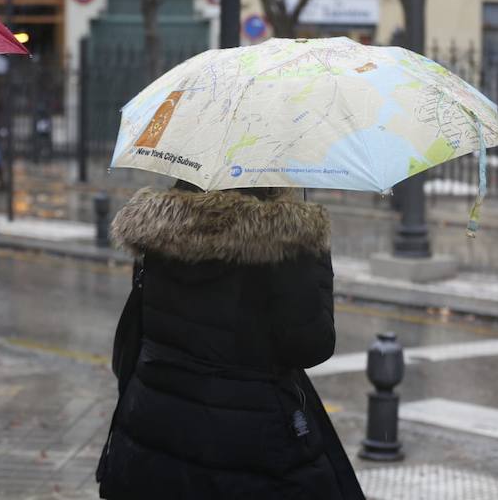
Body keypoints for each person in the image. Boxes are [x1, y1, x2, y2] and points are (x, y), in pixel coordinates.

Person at [97, 182, 366, 500]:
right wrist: (314, 256)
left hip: (156, 426)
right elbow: (312, 345)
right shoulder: (284, 238)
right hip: (249, 442)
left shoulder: (159, 227)